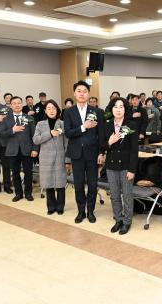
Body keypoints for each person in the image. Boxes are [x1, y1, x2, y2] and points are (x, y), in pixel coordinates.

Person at [63, 80, 105, 224]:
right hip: (76, 154)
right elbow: (68, 133)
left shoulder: (97, 112)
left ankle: (91, 211)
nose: (82, 93)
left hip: (93, 154)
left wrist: (101, 153)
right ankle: (81, 211)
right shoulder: (68, 112)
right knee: (79, 184)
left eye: (85, 91)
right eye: (79, 91)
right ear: (75, 94)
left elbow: (101, 135)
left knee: (93, 184)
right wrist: (83, 127)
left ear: (88, 94)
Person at [103, 97, 138, 235]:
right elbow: (102, 146)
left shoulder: (131, 125)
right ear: (111, 109)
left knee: (128, 195)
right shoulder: (106, 125)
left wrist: (132, 169)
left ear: (125, 109)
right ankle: (118, 219)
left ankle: (127, 221)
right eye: (116, 107)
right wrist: (109, 142)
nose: (118, 109)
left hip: (126, 166)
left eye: (121, 106)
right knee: (114, 195)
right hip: (111, 166)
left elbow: (134, 149)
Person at [33, 100, 70, 215]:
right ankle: (51, 206)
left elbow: (67, 143)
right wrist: (50, 133)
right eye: (49, 108)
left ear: (57, 110)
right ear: (45, 111)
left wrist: (67, 160)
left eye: (53, 108)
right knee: (48, 183)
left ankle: (60, 206)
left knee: (60, 184)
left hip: (60, 157)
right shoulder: (40, 124)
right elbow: (36, 139)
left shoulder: (62, 124)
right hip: (45, 158)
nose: (51, 110)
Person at [0, 96, 39, 202]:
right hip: (12, 151)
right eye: (14, 103)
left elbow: (34, 135)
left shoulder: (29, 118)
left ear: (22, 104)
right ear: (11, 105)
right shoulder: (6, 119)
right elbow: (1, 134)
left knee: (28, 173)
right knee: (15, 173)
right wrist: (12, 130)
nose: (17, 105)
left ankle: (28, 193)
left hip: (27, 150)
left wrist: (35, 149)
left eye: (19, 103)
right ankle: (18, 193)